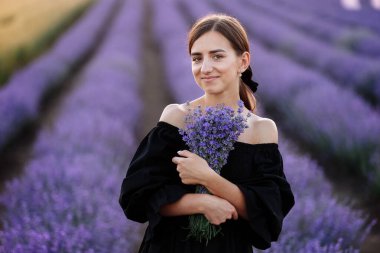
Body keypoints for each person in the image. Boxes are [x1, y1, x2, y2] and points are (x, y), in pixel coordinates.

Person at [119, 13, 295, 253]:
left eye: (217, 56)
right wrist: (202, 202)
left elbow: (267, 212)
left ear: (243, 62)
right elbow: (137, 197)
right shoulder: (176, 118)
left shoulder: (261, 130)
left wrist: (208, 178)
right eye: (196, 58)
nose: (205, 68)